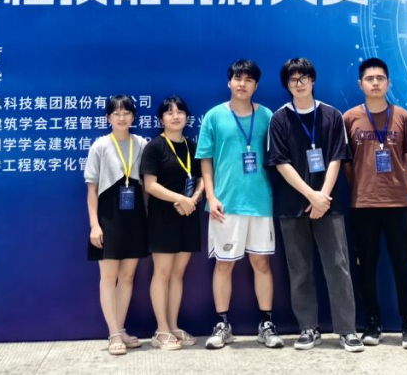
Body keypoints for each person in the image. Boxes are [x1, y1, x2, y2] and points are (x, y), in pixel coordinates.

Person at [266, 58, 363, 353]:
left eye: (304, 78)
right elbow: (280, 163)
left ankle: (347, 330)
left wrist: (323, 196)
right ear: (287, 85)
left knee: (338, 266)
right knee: (300, 270)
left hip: (329, 204)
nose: (299, 84)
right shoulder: (279, 119)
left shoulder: (332, 115)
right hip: (292, 205)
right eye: (293, 80)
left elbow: (337, 157)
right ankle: (308, 328)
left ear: (313, 80)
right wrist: (311, 195)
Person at [196, 59, 283, 349]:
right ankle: (222, 325)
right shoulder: (214, 116)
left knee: (262, 263)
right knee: (224, 265)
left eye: (248, 79)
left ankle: (266, 324)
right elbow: (205, 160)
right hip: (225, 204)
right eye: (237, 78)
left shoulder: (268, 116)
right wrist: (211, 196)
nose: (242, 84)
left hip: (260, 202)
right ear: (229, 82)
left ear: (256, 85)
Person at [343, 58, 407, 349]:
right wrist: (365, 184)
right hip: (363, 204)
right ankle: (372, 323)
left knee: (403, 264)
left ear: (388, 83)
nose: (375, 83)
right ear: (360, 84)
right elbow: (347, 164)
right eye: (369, 78)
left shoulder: (403, 117)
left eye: (380, 78)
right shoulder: (349, 118)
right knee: (366, 266)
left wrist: (393, 181)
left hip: (399, 203)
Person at [84, 95, 150, 356]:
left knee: (128, 276)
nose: (122, 118)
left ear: (133, 117)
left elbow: (147, 186)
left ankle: (120, 329)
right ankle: (112, 333)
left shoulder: (141, 144)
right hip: (108, 219)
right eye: (116, 113)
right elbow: (92, 191)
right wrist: (94, 225)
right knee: (108, 277)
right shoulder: (100, 146)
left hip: (135, 218)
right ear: (108, 118)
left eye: (126, 113)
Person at [140, 96, 205, 351]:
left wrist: (194, 199)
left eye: (180, 112)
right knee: (163, 273)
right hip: (163, 218)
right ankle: (161, 330)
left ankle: (174, 326)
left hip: (188, 216)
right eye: (169, 112)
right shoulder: (155, 147)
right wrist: (181, 199)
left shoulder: (192, 145)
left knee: (178, 274)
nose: (175, 116)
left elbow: (201, 177)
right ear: (161, 119)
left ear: (187, 117)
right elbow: (150, 185)